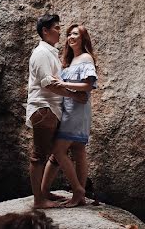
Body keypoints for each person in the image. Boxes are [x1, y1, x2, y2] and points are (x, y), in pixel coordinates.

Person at [26, 14, 88, 209]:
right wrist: (74, 95)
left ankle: (45, 193)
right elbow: (48, 84)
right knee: (38, 156)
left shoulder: (50, 52)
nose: (60, 32)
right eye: (56, 28)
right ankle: (38, 201)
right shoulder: (41, 53)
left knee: (57, 152)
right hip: (44, 109)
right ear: (45, 31)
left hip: (51, 110)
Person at [41, 24, 98, 208]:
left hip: (77, 110)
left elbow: (89, 86)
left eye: (75, 34)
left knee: (58, 151)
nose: (70, 37)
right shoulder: (69, 60)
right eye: (68, 34)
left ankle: (78, 191)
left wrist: (65, 83)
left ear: (83, 38)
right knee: (79, 152)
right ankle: (79, 195)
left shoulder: (85, 58)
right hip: (70, 107)